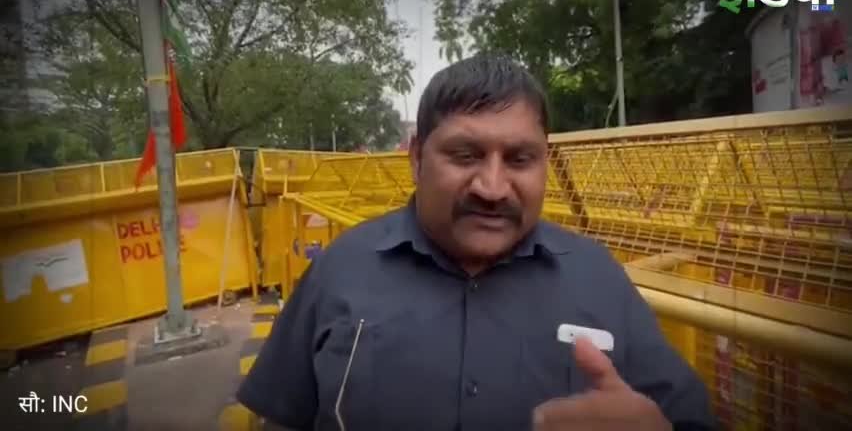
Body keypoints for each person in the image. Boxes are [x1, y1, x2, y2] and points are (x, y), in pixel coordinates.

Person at [237, 55, 716, 431]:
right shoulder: (341, 269)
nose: (492, 187)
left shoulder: (598, 278)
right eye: (465, 155)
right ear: (416, 159)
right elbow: (281, 417)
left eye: (520, 159)